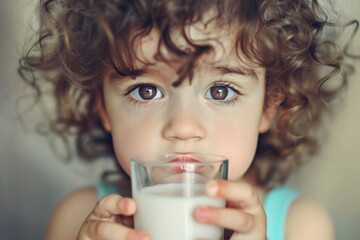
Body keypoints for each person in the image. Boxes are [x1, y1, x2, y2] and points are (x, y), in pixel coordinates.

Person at [18, 0, 357, 239]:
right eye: (146, 92)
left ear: (268, 107)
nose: (182, 128)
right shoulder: (77, 219)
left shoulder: (301, 227)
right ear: (104, 109)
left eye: (221, 91)